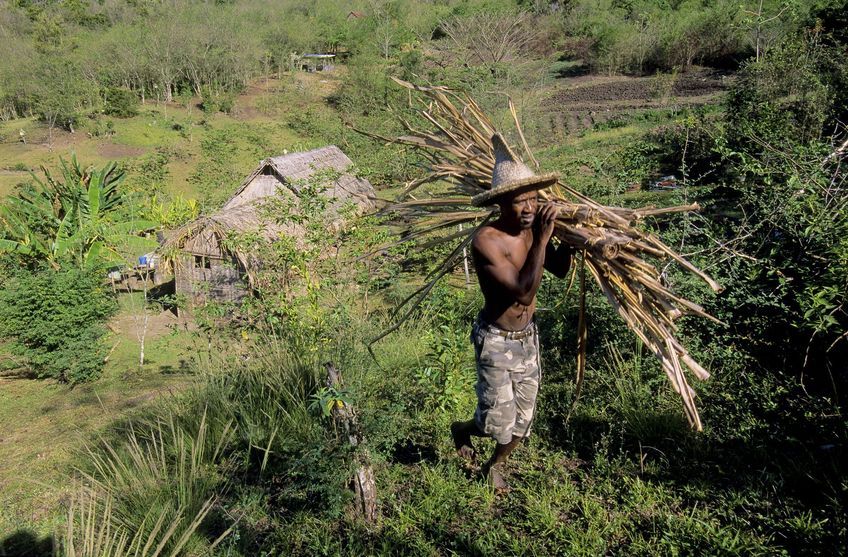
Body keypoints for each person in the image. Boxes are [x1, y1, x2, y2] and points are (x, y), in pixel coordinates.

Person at [451, 133, 573, 491]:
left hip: (527, 337)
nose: (529, 208)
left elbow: (560, 268)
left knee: (524, 419)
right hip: (496, 339)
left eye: (533, 199)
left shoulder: (533, 229)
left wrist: (570, 239)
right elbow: (522, 290)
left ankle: (494, 465)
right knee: (495, 422)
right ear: (501, 203)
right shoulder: (487, 240)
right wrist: (544, 237)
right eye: (520, 201)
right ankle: (461, 429)